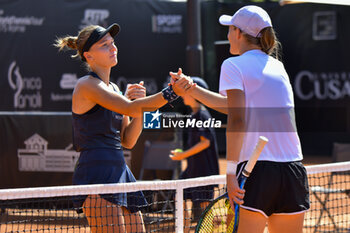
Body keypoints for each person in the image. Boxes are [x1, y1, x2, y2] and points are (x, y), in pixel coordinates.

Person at [170, 5, 309, 233]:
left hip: (257, 171)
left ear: (237, 33)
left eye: (229, 29)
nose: (227, 35)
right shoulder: (278, 67)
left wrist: (231, 173)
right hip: (292, 171)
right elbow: (236, 108)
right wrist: (192, 89)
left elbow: (237, 119)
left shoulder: (232, 65)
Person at [54, 23, 191, 233]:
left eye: (113, 43)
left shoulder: (116, 89)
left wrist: (142, 106)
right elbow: (129, 107)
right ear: (89, 56)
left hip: (120, 171)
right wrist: (171, 92)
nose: (113, 47)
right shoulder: (86, 85)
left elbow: (128, 140)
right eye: (104, 44)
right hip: (96, 172)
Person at [169, 77, 219, 232]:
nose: (183, 95)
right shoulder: (193, 115)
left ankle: (208, 230)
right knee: (178, 195)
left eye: (186, 92)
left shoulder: (202, 116)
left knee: (205, 205)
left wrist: (183, 155)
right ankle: (183, 229)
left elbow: (205, 142)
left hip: (204, 170)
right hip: (192, 169)